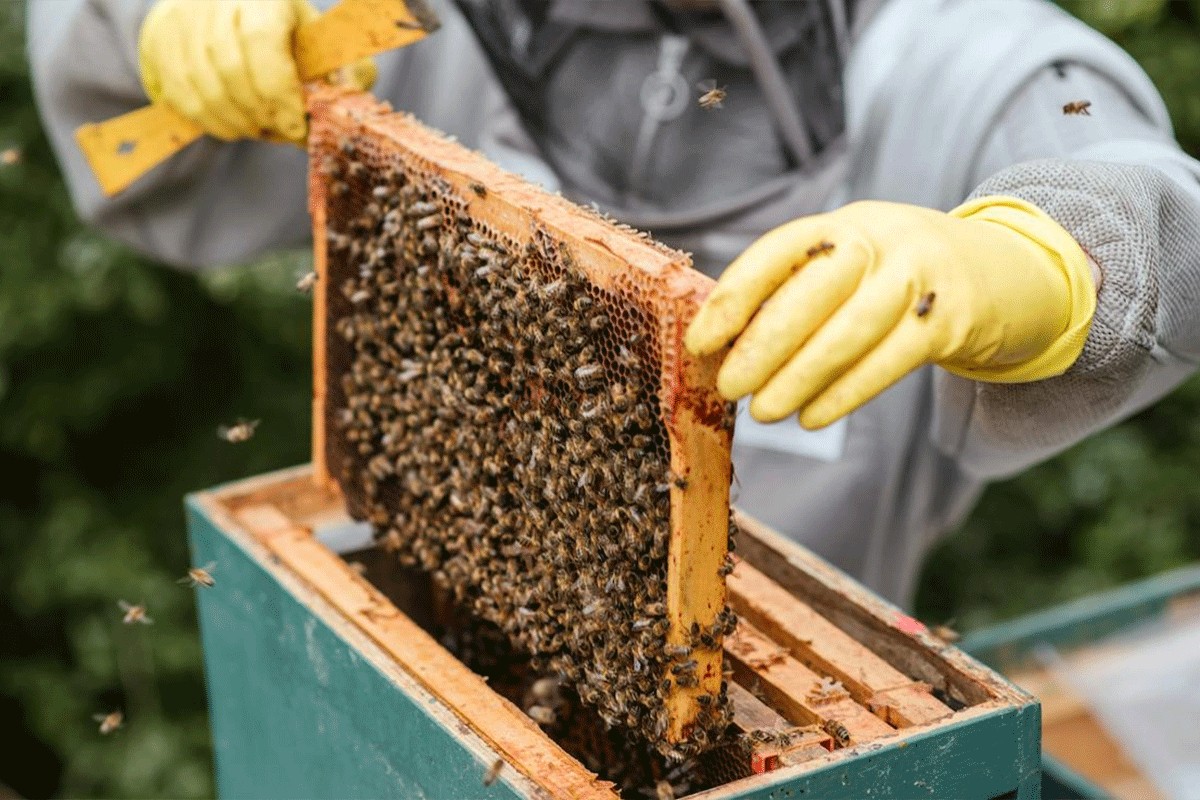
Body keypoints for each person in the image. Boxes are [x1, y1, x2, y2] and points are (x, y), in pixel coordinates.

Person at [28, 0, 1200, 605]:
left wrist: (1040, 263)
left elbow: (1160, 211)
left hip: (775, 736)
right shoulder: (426, 22)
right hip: (424, 634)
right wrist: (157, 27)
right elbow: (134, 153)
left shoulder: (967, 57)